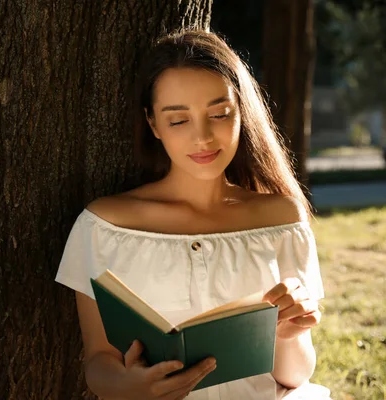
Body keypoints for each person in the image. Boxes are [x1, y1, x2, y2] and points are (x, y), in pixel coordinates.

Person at [54, 29, 331, 400]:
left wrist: (287, 334)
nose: (203, 137)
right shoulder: (105, 225)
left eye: (219, 114)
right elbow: (99, 361)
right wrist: (131, 387)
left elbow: (296, 375)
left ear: (241, 113)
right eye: (178, 120)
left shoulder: (280, 218)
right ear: (153, 124)